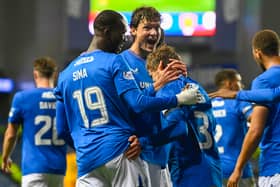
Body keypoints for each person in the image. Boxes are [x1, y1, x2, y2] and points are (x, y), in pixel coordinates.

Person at [54, 10, 198, 187]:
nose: (124, 38)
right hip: (123, 152)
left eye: (157, 27)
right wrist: (178, 98)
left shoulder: (64, 75)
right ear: (108, 32)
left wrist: (87, 147)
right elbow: (137, 104)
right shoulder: (115, 62)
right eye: (122, 33)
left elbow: (61, 129)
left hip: (88, 159)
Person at [120, 6, 187, 187]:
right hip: (134, 156)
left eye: (156, 28)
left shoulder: (164, 62)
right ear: (133, 30)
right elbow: (129, 106)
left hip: (161, 156)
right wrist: (157, 84)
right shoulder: (121, 62)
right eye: (147, 28)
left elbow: (179, 110)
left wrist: (185, 83)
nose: (153, 33)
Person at [140, 44, 222, 187]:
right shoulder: (198, 88)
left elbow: (178, 128)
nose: (154, 81)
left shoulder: (168, 89)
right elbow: (212, 125)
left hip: (189, 172)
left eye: (152, 75)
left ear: (160, 67)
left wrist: (144, 142)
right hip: (212, 169)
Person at [224, 29, 280, 187]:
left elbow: (256, 130)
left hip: (275, 167)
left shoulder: (263, 81)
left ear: (258, 53)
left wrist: (238, 169)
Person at [1, 56, 67, 187]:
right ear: (55, 74)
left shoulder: (23, 97)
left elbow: (11, 134)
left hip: (34, 168)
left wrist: (5, 156)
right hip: (58, 169)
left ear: (35, 74)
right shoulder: (63, 98)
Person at [211, 69, 256, 187]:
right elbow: (256, 121)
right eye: (239, 82)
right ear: (229, 84)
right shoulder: (239, 102)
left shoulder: (208, 105)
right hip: (238, 169)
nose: (242, 86)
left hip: (214, 169)